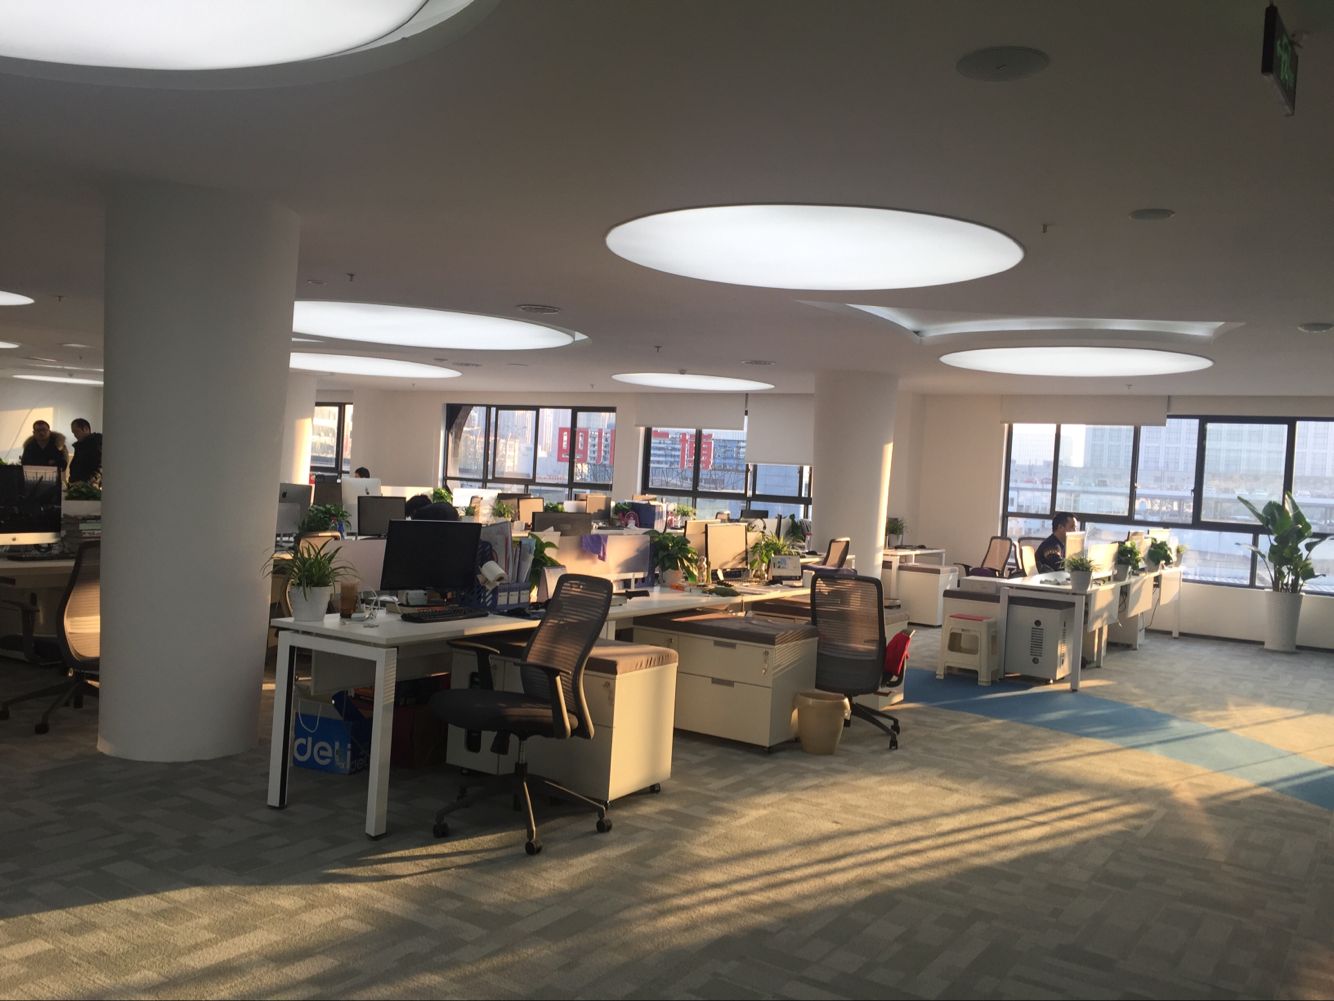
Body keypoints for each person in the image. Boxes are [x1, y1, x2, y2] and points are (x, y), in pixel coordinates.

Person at [68, 418, 103, 484]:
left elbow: (100, 468)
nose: (75, 435)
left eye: (77, 431)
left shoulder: (96, 444)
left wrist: (85, 482)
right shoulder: (80, 446)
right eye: (73, 433)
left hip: (88, 486)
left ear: (86, 429)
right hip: (78, 484)